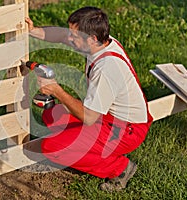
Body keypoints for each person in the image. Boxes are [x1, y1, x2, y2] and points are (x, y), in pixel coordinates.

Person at [25, 6, 153, 191]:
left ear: (92, 38)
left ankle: (120, 169)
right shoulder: (100, 42)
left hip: (126, 130)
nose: (69, 39)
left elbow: (89, 117)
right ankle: (77, 142)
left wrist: (57, 91)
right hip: (109, 117)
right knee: (53, 115)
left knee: (51, 147)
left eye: (74, 37)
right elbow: (61, 35)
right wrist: (33, 31)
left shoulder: (107, 68)